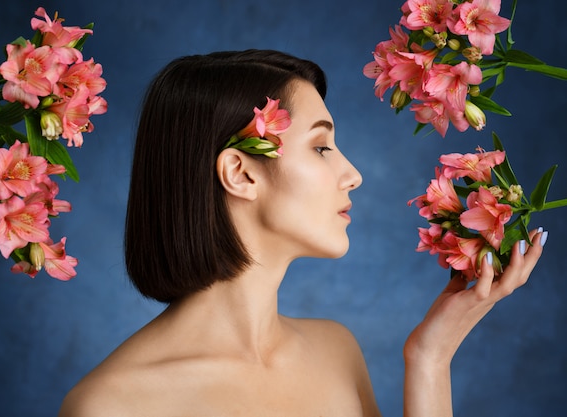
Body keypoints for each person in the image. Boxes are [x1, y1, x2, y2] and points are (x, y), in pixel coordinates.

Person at [58, 49, 547, 417]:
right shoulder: (111, 405)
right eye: (320, 147)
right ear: (241, 174)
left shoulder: (336, 350)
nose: (352, 174)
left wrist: (430, 358)